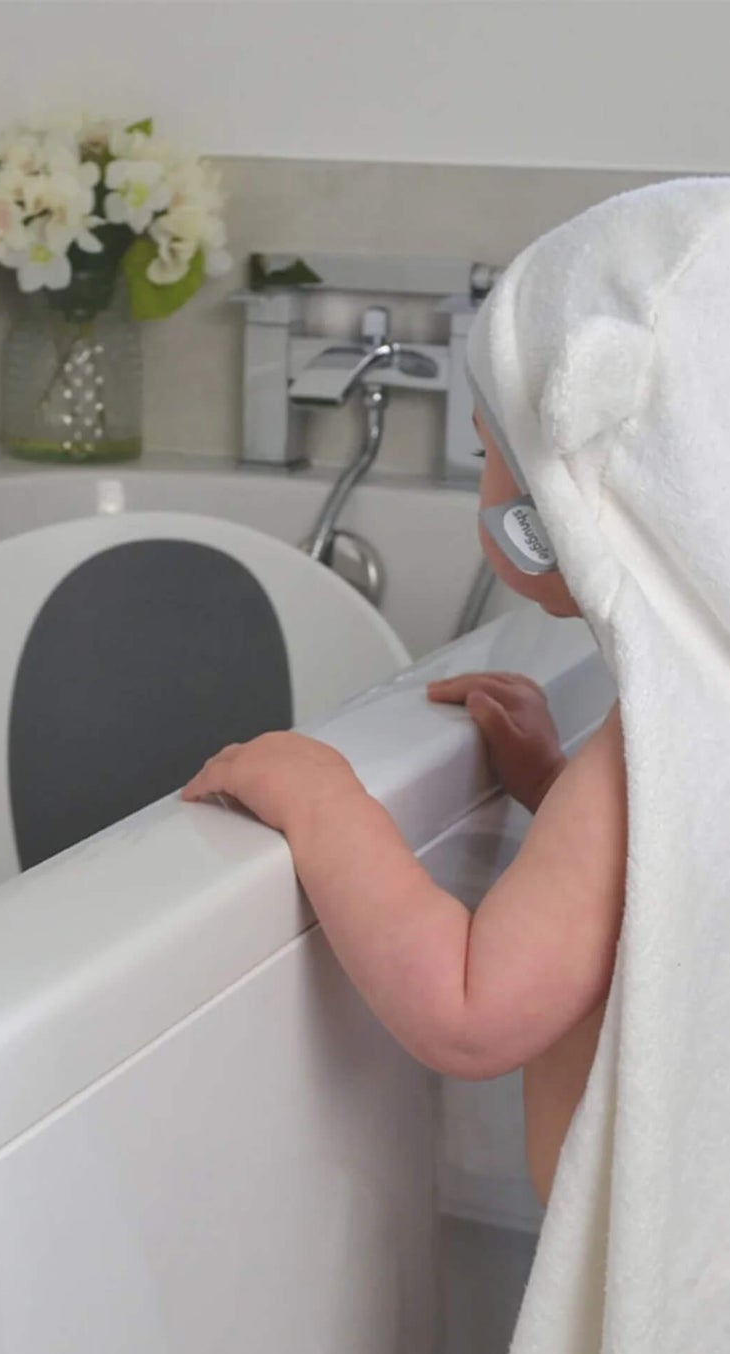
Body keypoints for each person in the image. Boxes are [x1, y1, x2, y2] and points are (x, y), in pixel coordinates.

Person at [180, 408, 627, 1206]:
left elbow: (469, 1007)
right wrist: (553, 788)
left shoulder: (640, 761)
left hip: (659, 1309)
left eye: (487, 450)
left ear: (552, 506)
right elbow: (653, 897)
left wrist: (323, 800)